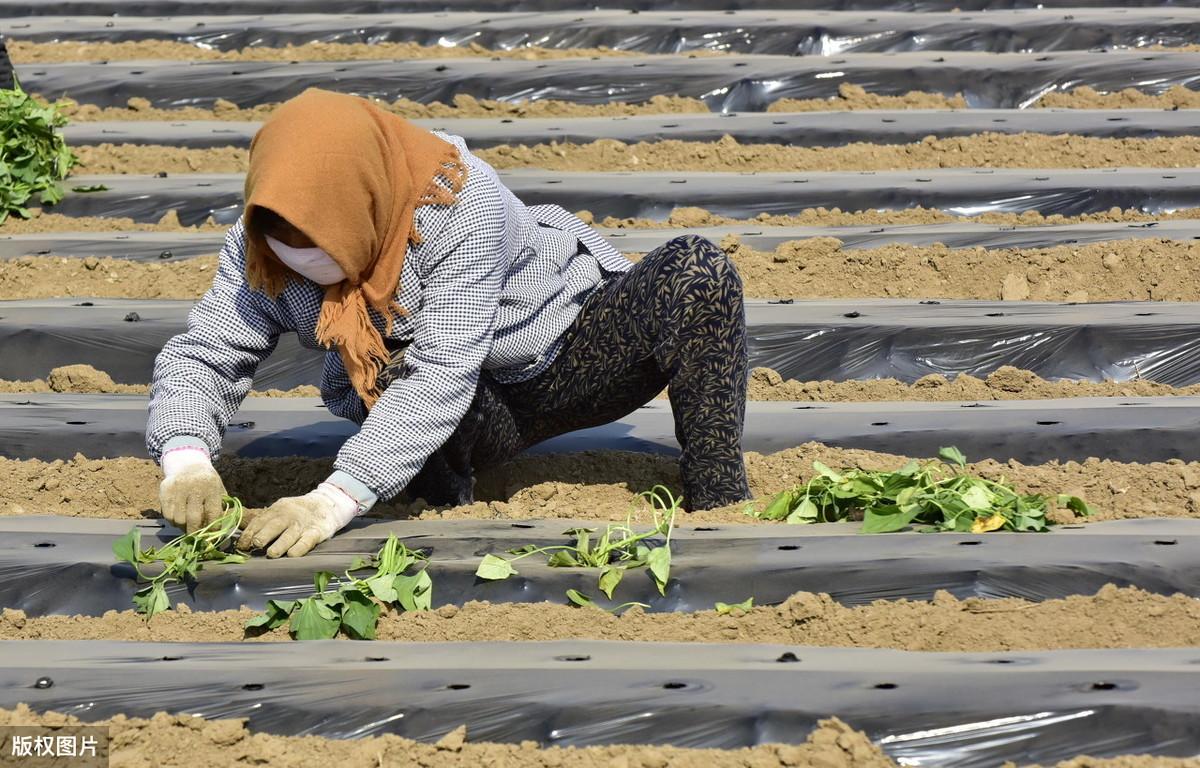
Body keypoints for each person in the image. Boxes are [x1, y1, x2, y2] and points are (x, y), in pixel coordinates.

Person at [147, 88, 749, 558]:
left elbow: (445, 366)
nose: (305, 261)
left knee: (695, 270)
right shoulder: (259, 244)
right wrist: (187, 458)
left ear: (367, 202)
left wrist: (331, 500)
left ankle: (718, 496)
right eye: (286, 245)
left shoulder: (457, 199)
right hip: (474, 412)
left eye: (325, 242)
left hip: (570, 354)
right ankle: (443, 517)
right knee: (389, 361)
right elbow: (205, 351)